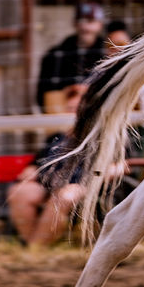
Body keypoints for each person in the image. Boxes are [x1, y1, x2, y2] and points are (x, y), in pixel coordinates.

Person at [8, 84, 89, 247]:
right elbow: (36, 162)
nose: (72, 113)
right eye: (69, 108)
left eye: (77, 108)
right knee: (20, 191)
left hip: (83, 185)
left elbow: (121, 163)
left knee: (63, 197)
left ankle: (36, 249)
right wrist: (30, 170)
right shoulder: (56, 138)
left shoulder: (101, 136)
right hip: (48, 184)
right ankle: (34, 246)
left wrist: (109, 171)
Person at [36, 2, 106, 111]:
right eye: (81, 21)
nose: (85, 27)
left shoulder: (109, 53)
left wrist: (87, 92)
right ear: (74, 23)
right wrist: (67, 92)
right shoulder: (55, 56)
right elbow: (43, 97)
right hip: (63, 115)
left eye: (91, 21)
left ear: (100, 24)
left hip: (99, 112)